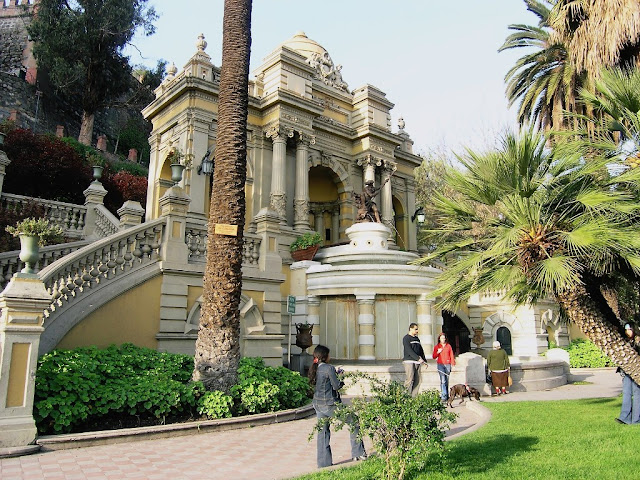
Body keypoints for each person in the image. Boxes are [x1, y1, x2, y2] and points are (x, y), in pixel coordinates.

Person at [308, 344, 366, 468]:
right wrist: (341, 377)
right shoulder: (329, 368)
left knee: (322, 431)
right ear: (325, 356)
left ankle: (323, 463)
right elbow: (336, 386)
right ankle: (358, 453)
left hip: (317, 404)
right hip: (330, 404)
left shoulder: (315, 368)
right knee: (354, 420)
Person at [617, 323, 640, 424]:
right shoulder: (625, 341)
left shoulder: (638, 341)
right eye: (626, 330)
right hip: (627, 371)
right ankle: (624, 417)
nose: (627, 332)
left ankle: (636, 419)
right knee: (626, 393)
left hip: (636, 371)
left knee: (637, 393)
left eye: (629, 329)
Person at [402, 323, 427, 396]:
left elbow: (421, 350)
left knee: (418, 380)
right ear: (411, 329)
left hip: (417, 362)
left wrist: (424, 360)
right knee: (409, 379)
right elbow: (409, 350)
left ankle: (414, 396)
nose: (417, 331)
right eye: (416, 329)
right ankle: (404, 396)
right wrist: (417, 358)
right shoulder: (406, 338)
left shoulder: (417, 339)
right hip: (409, 361)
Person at [432, 332, 455, 401]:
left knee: (446, 380)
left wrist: (453, 363)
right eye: (442, 338)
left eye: (444, 338)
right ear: (439, 339)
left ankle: (446, 395)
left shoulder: (448, 346)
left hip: (447, 364)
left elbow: (451, 354)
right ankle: (443, 396)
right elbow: (433, 356)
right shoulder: (437, 346)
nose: (443, 339)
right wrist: (438, 352)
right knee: (443, 380)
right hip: (440, 364)